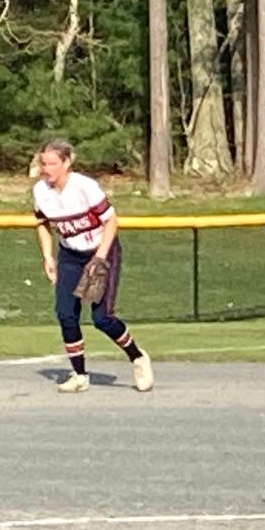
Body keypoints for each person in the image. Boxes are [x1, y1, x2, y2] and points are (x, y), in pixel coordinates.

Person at [32, 139, 154, 394]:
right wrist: (47, 256)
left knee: (102, 318)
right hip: (70, 255)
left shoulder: (84, 186)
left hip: (102, 250)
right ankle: (79, 374)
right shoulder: (40, 191)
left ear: (67, 163)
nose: (47, 169)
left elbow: (111, 221)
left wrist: (99, 257)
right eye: (44, 163)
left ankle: (138, 357)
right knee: (66, 313)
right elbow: (42, 223)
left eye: (53, 163)